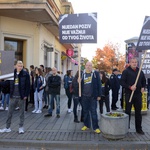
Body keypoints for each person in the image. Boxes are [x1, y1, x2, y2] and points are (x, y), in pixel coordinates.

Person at [0, 60, 30, 134]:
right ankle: (7, 127)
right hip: (12, 96)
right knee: (9, 113)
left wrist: (26, 95)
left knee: (21, 113)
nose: (20, 67)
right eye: (19, 66)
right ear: (15, 66)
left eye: (21, 66)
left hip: (21, 97)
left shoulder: (25, 74)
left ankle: (21, 127)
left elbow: (28, 85)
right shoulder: (12, 74)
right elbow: (6, 83)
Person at [121, 58, 146, 135]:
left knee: (138, 112)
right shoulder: (126, 71)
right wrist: (130, 87)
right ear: (130, 63)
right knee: (127, 111)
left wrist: (143, 87)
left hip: (138, 94)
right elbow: (122, 82)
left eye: (135, 62)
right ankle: (126, 128)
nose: (134, 63)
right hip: (129, 94)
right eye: (133, 62)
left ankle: (139, 129)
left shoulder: (140, 71)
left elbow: (144, 81)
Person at [80, 61, 101, 134]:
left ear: (92, 66)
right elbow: (76, 84)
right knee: (85, 112)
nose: (88, 66)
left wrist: (99, 95)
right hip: (84, 96)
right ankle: (86, 125)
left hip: (93, 96)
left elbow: (99, 84)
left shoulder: (95, 74)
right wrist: (78, 81)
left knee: (93, 112)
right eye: (87, 65)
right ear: (85, 66)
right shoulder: (82, 74)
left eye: (90, 65)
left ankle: (96, 127)